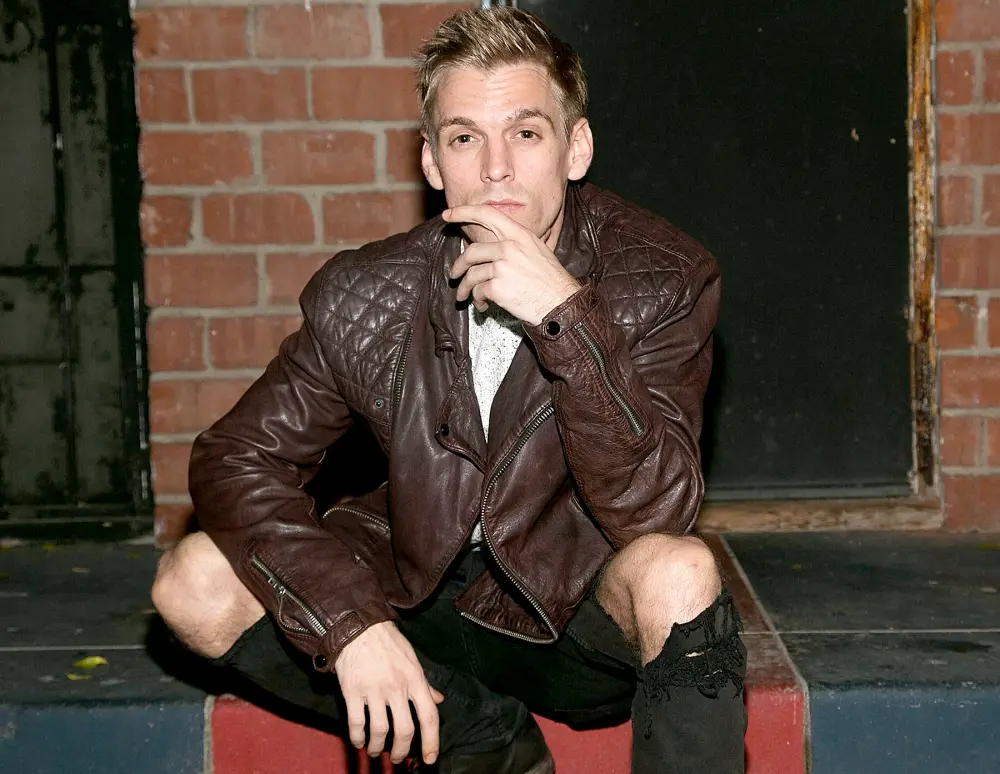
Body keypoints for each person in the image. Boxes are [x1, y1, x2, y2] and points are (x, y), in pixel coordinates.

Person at [151, 7, 746, 773]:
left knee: (681, 571)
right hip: (410, 594)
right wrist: (347, 623)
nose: (496, 167)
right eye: (466, 137)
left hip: (567, 612)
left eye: (526, 133)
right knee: (190, 580)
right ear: (434, 162)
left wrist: (565, 319)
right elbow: (234, 459)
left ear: (576, 147)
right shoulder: (366, 292)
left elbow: (657, 509)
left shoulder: (662, 277)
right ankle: (479, 737)